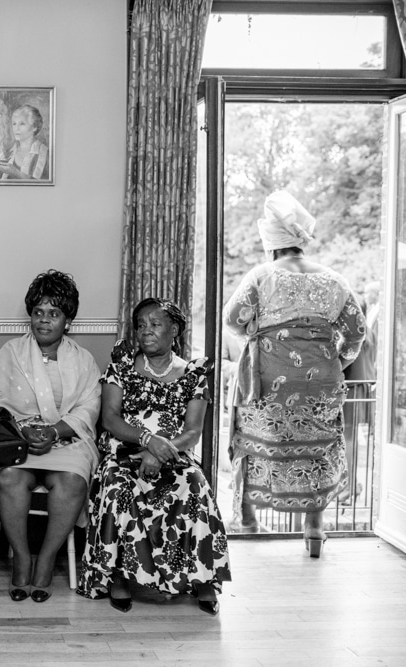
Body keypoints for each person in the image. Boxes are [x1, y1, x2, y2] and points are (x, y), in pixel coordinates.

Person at [225, 191, 365, 555]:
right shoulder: (335, 279)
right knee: (318, 452)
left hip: (270, 378)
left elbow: (231, 320)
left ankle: (249, 518)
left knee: (255, 442)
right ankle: (314, 527)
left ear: (272, 246)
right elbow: (357, 332)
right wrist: (338, 362)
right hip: (322, 381)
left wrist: (258, 336)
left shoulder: (261, 276)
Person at [78, 298, 231, 616]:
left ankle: (202, 577)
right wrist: (147, 440)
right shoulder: (120, 369)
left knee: (194, 482)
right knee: (117, 484)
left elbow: (192, 432)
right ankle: (118, 576)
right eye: (140, 325)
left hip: (173, 455)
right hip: (123, 453)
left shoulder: (193, 374)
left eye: (155, 324)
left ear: (174, 329)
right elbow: (110, 419)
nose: (146, 331)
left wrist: (160, 453)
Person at [0, 270, 101, 603]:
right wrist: (23, 430)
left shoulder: (83, 360)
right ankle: (22, 557)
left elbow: (88, 408)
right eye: (38, 312)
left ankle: (48, 557)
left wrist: (54, 432)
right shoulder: (11, 352)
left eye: (53, 313)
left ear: (67, 320)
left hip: (66, 440)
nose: (44, 320)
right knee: (8, 476)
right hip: (19, 439)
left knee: (72, 480)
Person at [340, 283, 379, 504]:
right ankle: (350, 485)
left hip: (352, 387)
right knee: (349, 439)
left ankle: (349, 487)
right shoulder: (368, 329)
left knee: (347, 439)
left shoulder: (355, 331)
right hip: (360, 386)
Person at [0, 104, 49, 180]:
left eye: (22, 124)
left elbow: (44, 185)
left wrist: (15, 172)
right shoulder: (11, 153)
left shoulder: (46, 154)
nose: (16, 128)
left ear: (34, 127)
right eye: (14, 124)